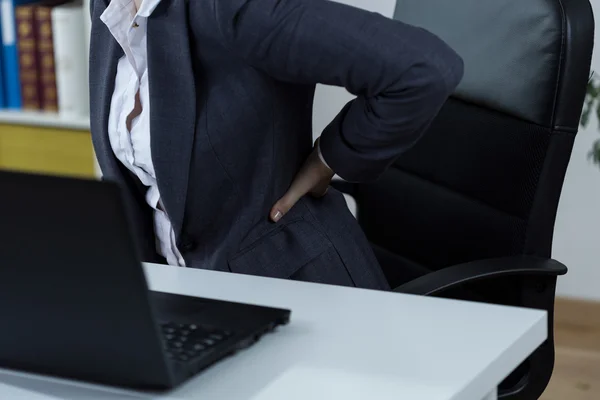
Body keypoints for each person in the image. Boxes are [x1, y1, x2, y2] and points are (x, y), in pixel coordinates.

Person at [89, 0, 464, 290]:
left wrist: (330, 157)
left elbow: (424, 69)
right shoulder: (111, 8)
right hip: (183, 299)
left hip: (292, 292)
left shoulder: (240, 8)